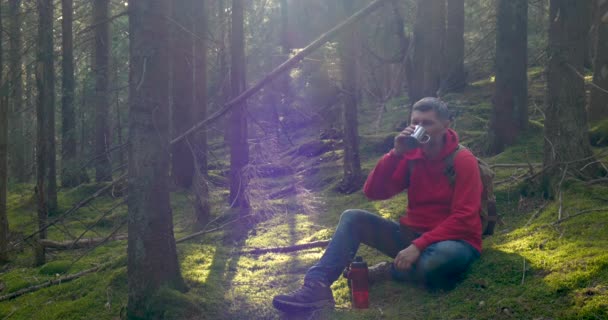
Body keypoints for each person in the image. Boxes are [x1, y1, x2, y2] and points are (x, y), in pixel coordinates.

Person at [272, 97, 483, 313]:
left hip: (454, 241)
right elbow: (373, 192)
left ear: (446, 125)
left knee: (437, 262)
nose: (420, 128)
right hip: (411, 237)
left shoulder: (462, 160)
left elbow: (465, 217)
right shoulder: (411, 156)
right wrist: (395, 154)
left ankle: (386, 272)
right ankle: (316, 285)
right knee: (352, 217)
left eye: (427, 123)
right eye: (415, 122)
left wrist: (419, 246)